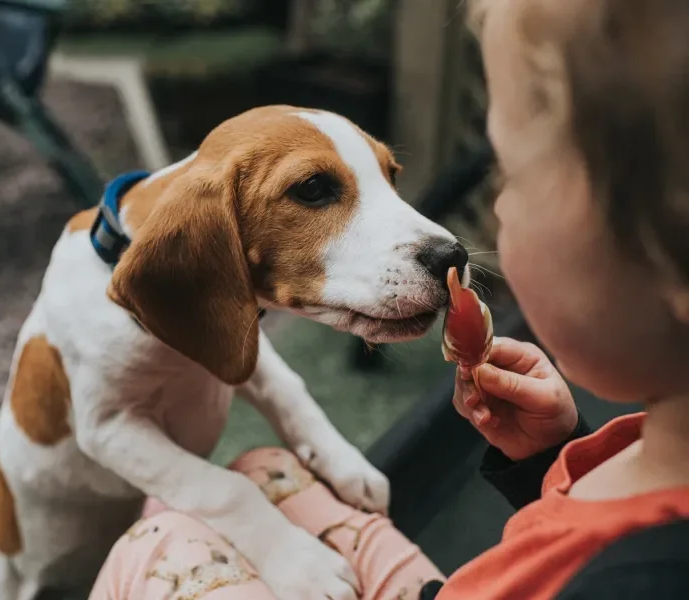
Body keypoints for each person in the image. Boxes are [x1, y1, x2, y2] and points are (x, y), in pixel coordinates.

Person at [87, 0, 689, 597]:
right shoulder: (651, 468)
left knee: (158, 540)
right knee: (263, 467)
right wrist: (552, 455)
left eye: (511, 178)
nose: (464, 231)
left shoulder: (639, 581)